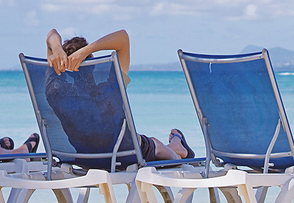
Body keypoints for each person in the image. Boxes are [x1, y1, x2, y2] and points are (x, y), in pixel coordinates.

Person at [45, 29, 194, 161]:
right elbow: (123, 38)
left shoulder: (56, 93)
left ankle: (176, 145)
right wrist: (86, 51)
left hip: (84, 157)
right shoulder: (111, 88)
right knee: (158, 147)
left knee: (151, 143)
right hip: (126, 153)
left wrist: (57, 50)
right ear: (94, 63)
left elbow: (51, 35)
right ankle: (177, 146)